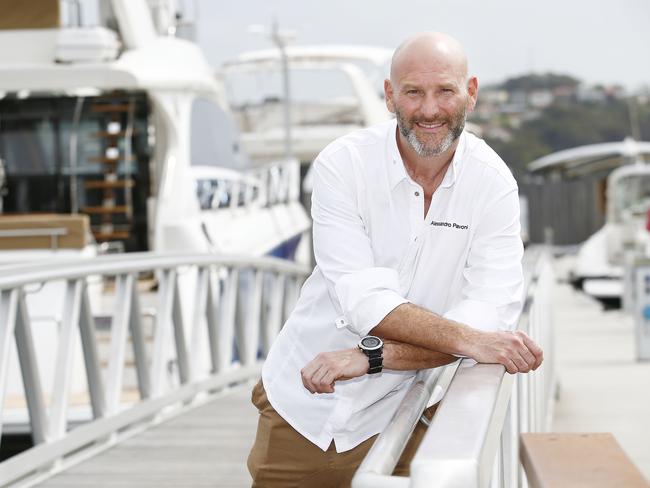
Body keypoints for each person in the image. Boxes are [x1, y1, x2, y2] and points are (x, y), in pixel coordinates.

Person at [247, 31, 543, 487]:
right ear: (389, 96)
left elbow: (488, 315)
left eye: (445, 90)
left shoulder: (492, 183)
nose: (429, 110)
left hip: (410, 413)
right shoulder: (342, 165)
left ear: (471, 93)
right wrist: (469, 339)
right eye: (413, 92)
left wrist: (374, 357)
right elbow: (362, 301)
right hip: (304, 408)